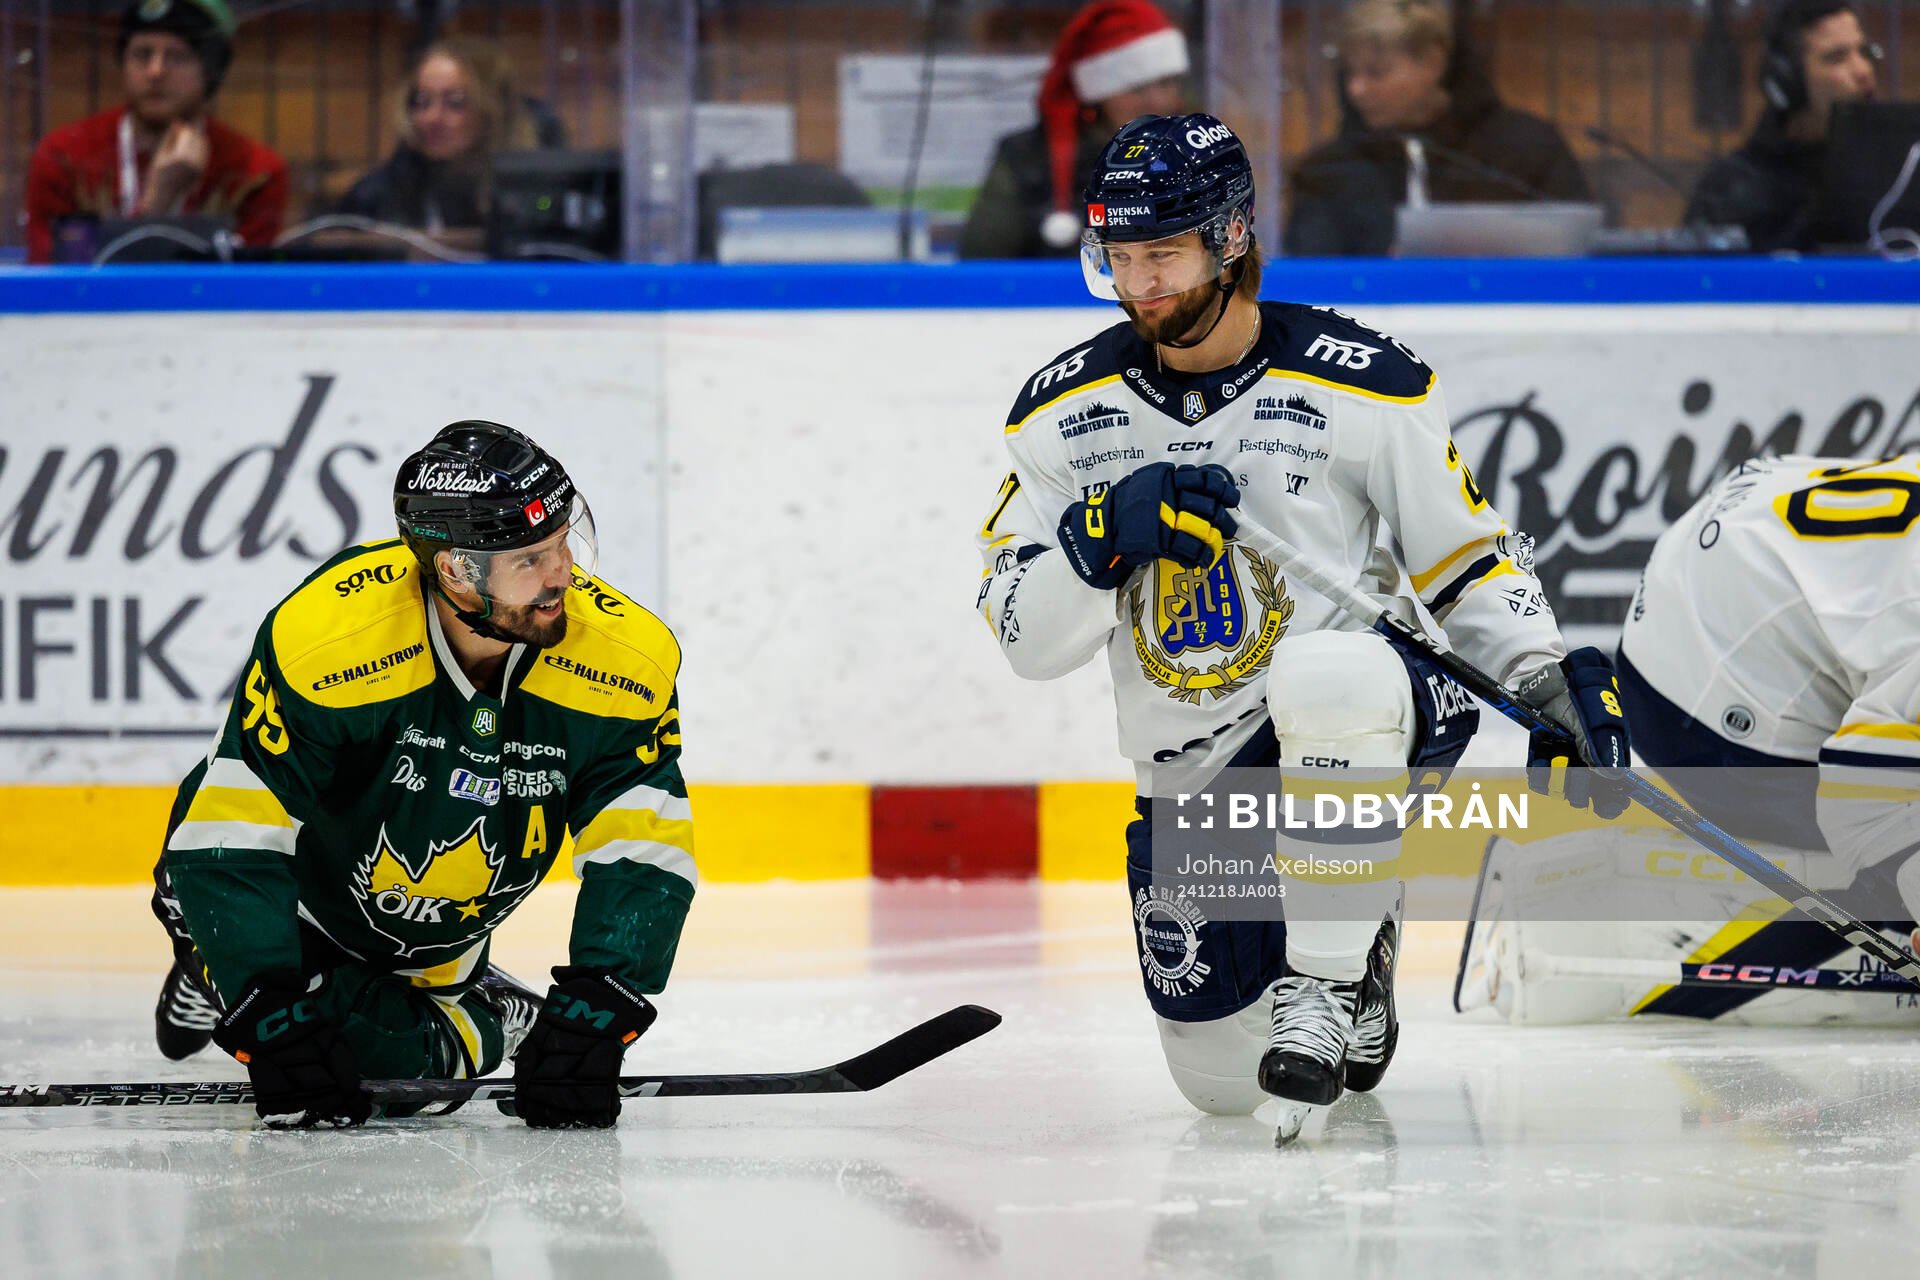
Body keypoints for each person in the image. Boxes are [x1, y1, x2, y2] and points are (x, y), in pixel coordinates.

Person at [972, 113, 1628, 1122]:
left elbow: (1463, 555)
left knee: (1332, 676)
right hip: (1198, 777)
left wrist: (1544, 674)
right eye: (1121, 258)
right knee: (1221, 1091)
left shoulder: (1362, 380)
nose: (1141, 284)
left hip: (1362, 712)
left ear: (1232, 237)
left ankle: (1328, 980)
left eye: (1164, 254)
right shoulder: (1058, 415)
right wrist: (1096, 542)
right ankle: (1359, 930)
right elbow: (1024, 638)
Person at [150, 421, 696, 1129]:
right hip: (309, 898)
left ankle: (481, 1009)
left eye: (563, 542)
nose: (563, 573)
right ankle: (211, 963)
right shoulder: (333, 639)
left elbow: (642, 835)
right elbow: (232, 821)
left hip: (444, 921)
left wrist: (604, 996)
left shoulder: (625, 659)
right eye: (530, 559)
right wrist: (267, 1009)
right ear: (454, 569)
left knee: (418, 1084)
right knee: (201, 883)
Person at [1460, 454, 1920, 1026]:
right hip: (1696, 686)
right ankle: (1682, 987)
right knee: (1894, 867)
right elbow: (1870, 802)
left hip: (1724, 575)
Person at [1283, 0, 1590, 257]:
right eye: (1350, 73)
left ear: (1432, 63)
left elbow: (1580, 248)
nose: (1357, 89)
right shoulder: (1328, 172)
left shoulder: (1527, 149)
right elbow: (1312, 280)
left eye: (1376, 72)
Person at [23, 0, 287, 263]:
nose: (156, 71)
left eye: (177, 57)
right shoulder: (64, 155)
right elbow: (50, 284)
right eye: (142, 54)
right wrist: (155, 204)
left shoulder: (255, 171)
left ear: (211, 69)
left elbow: (246, 291)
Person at [959, 0, 1188, 260]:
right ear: (1099, 94)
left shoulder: (1195, 154)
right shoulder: (1029, 160)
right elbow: (982, 265)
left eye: (1167, 83)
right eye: (1136, 88)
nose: (1157, 102)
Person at [1683, 0, 1881, 253]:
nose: (1863, 70)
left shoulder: (1896, 176)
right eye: (1837, 58)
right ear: (1787, 78)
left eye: (1865, 52)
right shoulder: (1732, 193)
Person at [333, 37, 551, 232]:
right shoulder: (374, 197)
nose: (431, 118)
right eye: (422, 101)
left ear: (493, 111)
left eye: (455, 103)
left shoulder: (537, 193)